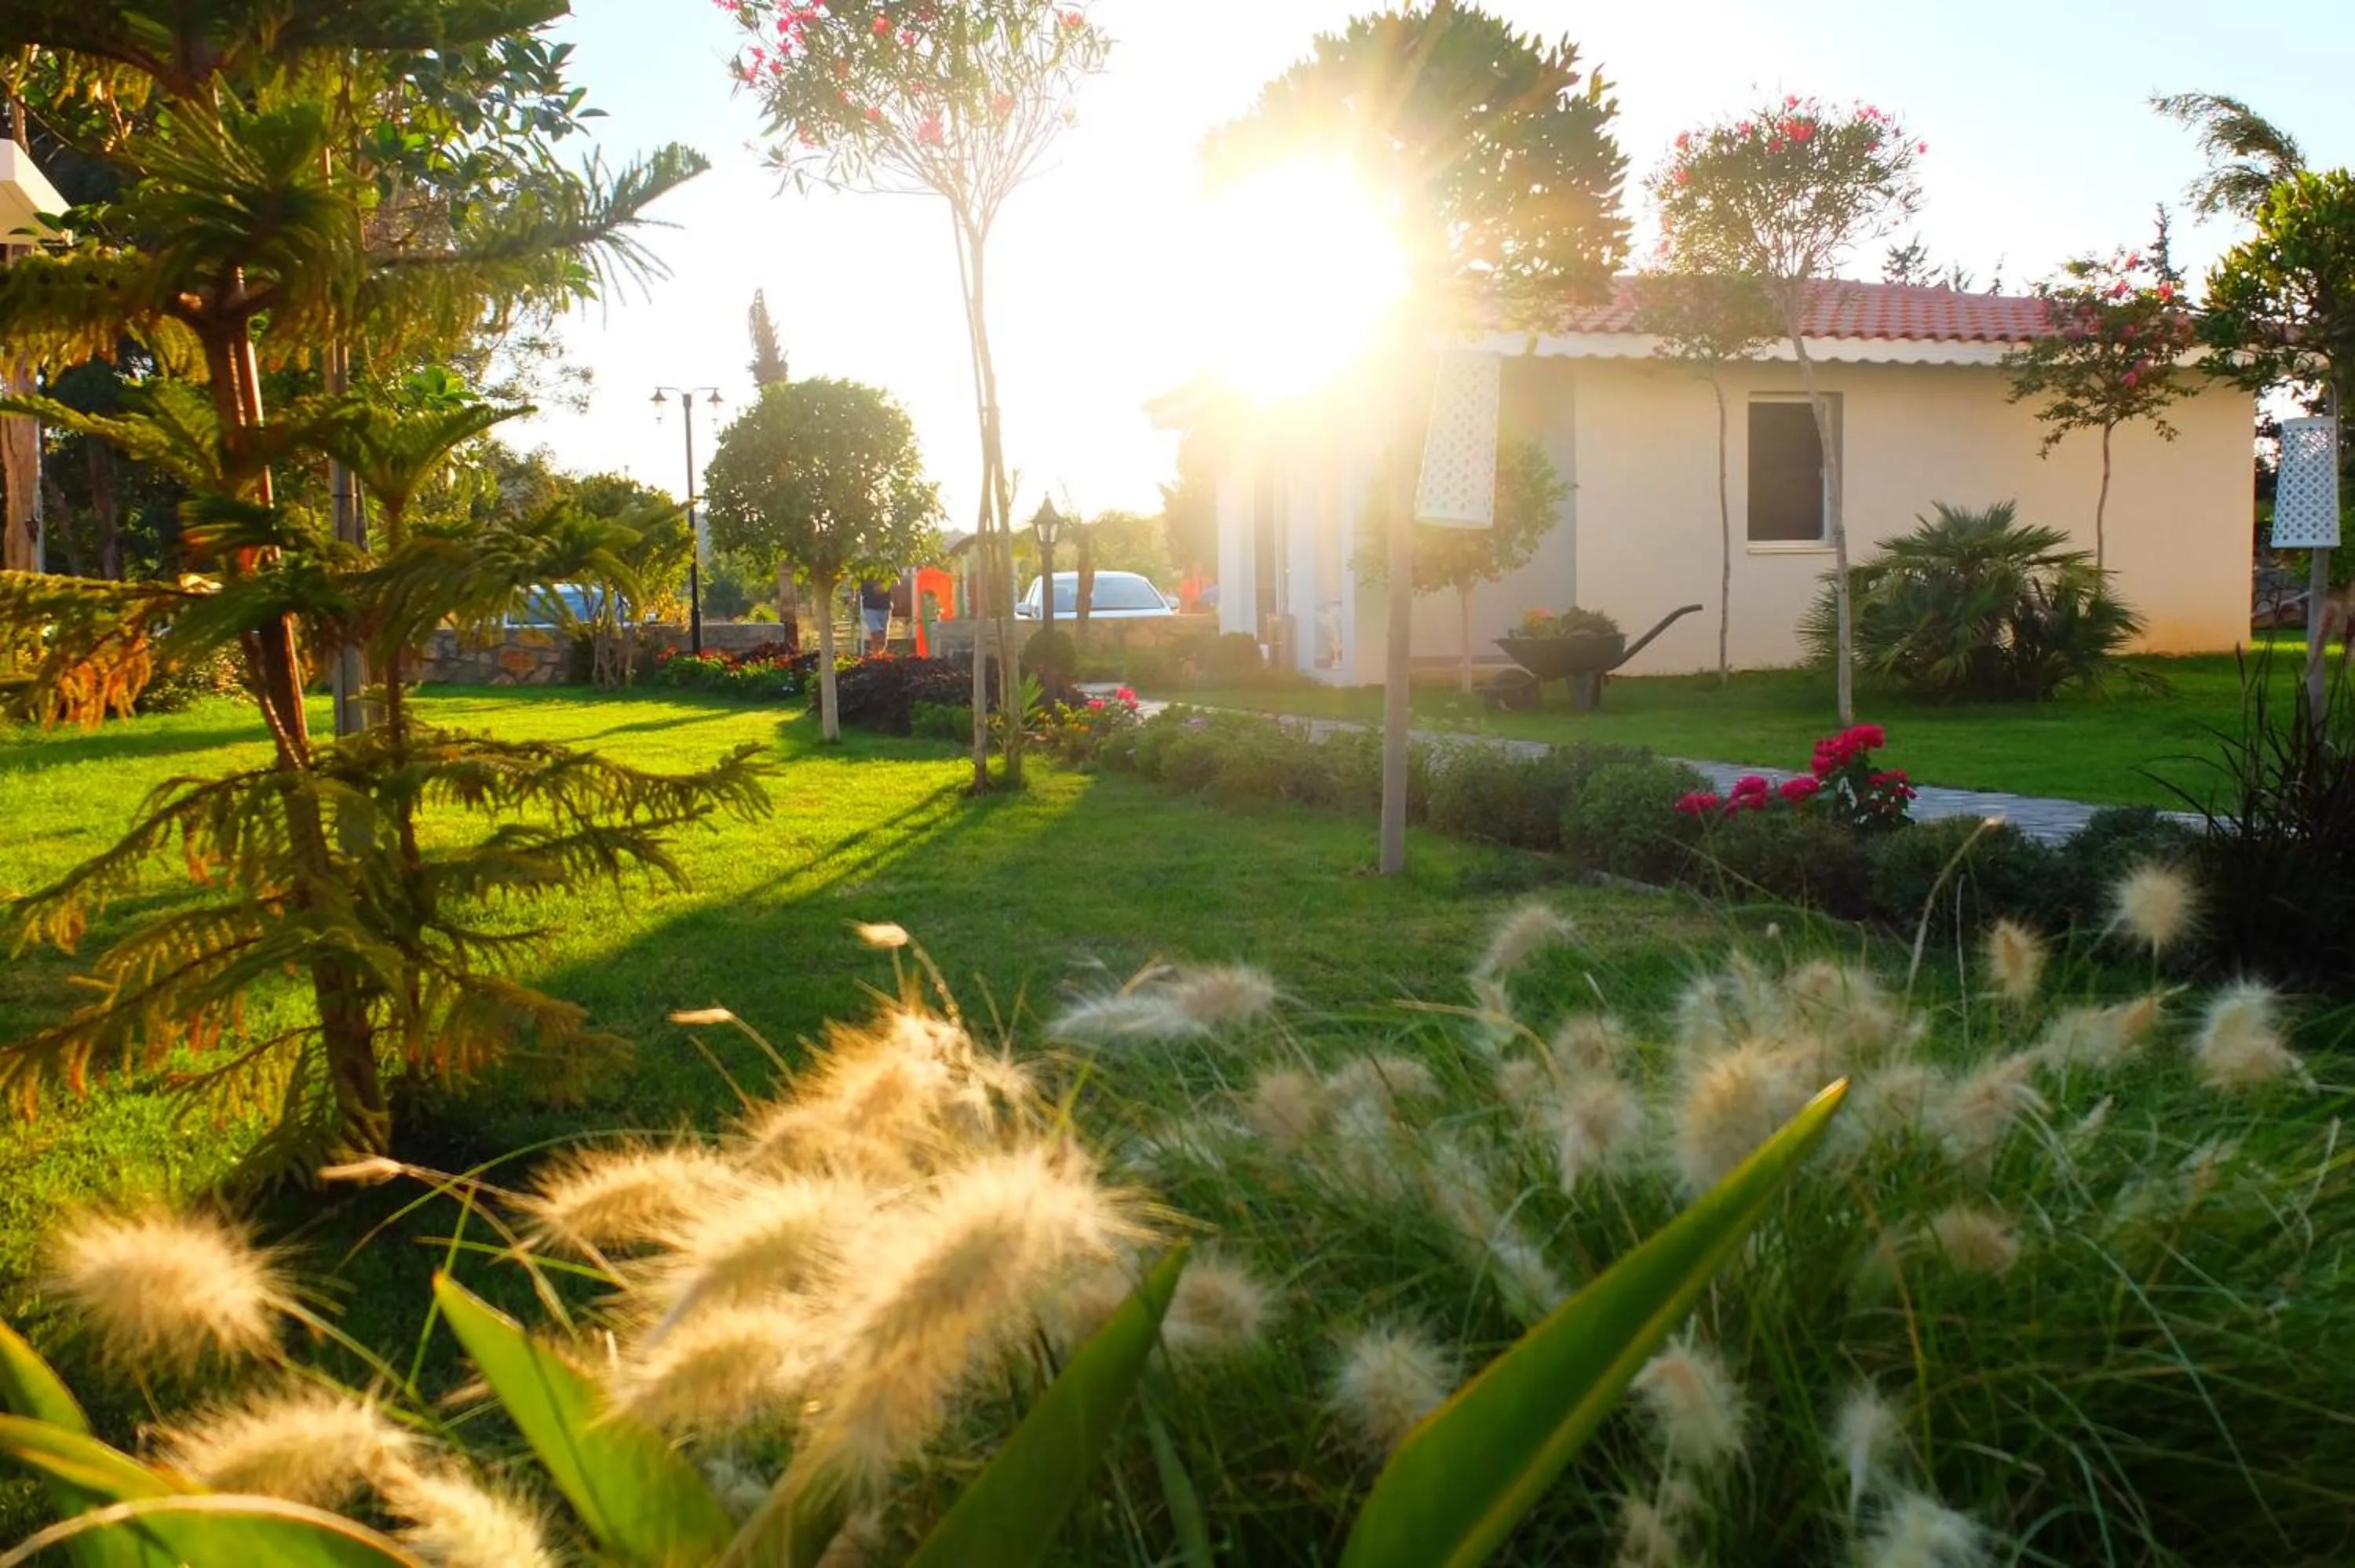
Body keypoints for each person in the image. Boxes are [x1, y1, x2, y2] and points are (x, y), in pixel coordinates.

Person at [858, 578, 892, 656]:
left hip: (885, 607)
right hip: (869, 607)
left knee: (883, 638)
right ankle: (875, 656)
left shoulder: (887, 569)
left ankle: (878, 657)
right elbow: (856, 582)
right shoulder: (863, 570)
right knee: (876, 634)